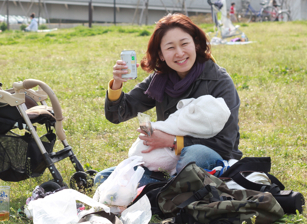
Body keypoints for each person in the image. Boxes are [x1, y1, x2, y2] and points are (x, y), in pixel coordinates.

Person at [95, 14, 242, 187]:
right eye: (170, 47)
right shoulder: (160, 80)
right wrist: (117, 83)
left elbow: (226, 144)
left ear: (196, 44)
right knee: (102, 178)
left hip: (210, 156)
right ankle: (170, 188)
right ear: (161, 54)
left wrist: (172, 141)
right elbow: (118, 114)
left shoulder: (219, 81)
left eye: (184, 44)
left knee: (193, 156)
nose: (179, 53)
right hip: (167, 160)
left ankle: (163, 188)